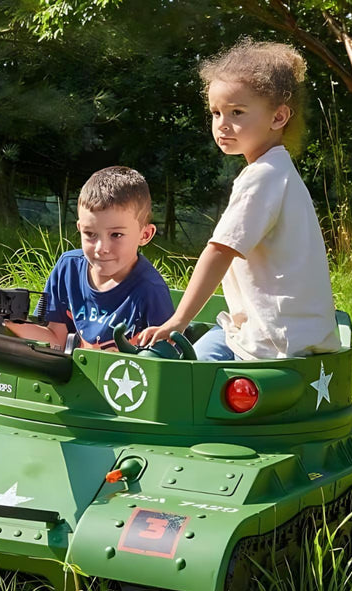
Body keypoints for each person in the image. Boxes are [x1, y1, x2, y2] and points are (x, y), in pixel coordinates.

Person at [138, 39, 340, 360]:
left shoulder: (262, 177)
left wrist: (178, 320)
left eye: (237, 112)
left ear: (278, 117)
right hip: (296, 335)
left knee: (179, 375)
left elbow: (219, 251)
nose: (222, 124)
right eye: (216, 112)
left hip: (270, 342)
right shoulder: (278, 171)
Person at [5, 166, 174, 351]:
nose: (102, 248)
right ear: (79, 228)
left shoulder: (150, 290)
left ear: (145, 234)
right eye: (90, 234)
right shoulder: (68, 269)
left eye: (116, 235)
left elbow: (163, 359)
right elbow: (56, 340)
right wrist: (7, 320)